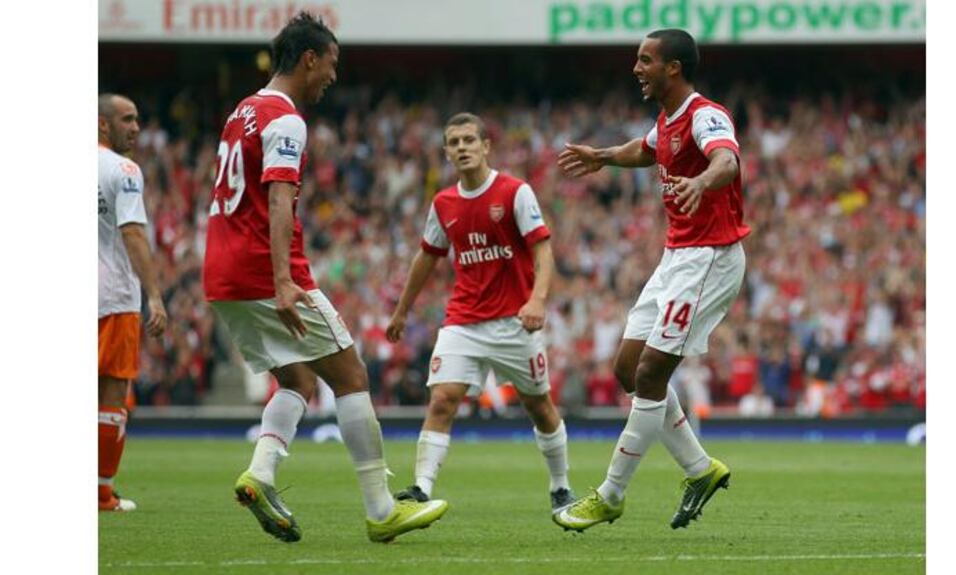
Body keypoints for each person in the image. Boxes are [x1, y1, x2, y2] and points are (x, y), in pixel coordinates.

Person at [201, 12, 447, 544]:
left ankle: (261, 473)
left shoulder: (242, 110)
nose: (333, 76)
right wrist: (284, 280)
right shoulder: (287, 120)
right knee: (352, 376)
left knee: (298, 380)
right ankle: (382, 510)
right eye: (331, 64)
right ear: (308, 59)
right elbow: (279, 198)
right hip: (266, 273)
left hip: (221, 275)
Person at [554, 28, 748, 531]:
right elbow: (646, 150)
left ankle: (611, 493)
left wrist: (702, 180)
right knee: (627, 367)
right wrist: (602, 157)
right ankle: (700, 469)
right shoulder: (667, 121)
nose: (636, 68)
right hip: (676, 256)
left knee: (649, 375)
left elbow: (725, 159)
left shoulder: (706, 115)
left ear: (673, 68)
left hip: (710, 257)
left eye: (645, 60)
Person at [386, 112, 576, 516]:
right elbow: (426, 257)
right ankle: (420, 488)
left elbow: (543, 250)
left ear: (486, 146)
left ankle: (561, 487)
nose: (462, 148)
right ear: (446, 152)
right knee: (442, 400)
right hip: (463, 321)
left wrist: (537, 300)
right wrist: (402, 311)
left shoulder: (515, 192)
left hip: (514, 321)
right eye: (454, 143)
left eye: (469, 140)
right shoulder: (444, 204)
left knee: (538, 406)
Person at [98, 93, 168, 512]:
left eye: (138, 119)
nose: (136, 128)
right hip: (113, 296)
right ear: (102, 125)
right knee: (112, 392)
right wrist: (155, 295)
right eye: (127, 119)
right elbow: (133, 233)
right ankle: (101, 493)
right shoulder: (123, 170)